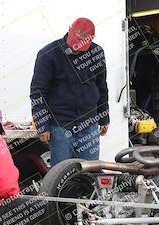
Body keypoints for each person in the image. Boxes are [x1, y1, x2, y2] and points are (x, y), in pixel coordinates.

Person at [30, 17, 110, 167]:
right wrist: (42, 126)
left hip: (89, 122)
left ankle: (87, 191)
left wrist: (104, 117)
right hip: (60, 124)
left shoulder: (97, 52)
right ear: (69, 29)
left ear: (91, 39)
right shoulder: (48, 54)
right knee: (61, 173)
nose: (76, 48)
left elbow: (102, 86)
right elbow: (38, 92)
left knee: (90, 171)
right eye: (74, 44)